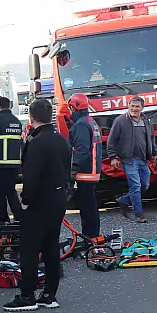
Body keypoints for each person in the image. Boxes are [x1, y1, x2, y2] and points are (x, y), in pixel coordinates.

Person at [4, 99, 72, 311]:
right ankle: (49, 294)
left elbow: (31, 177)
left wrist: (25, 201)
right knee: (51, 246)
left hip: (40, 200)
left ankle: (27, 296)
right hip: (59, 197)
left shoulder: (36, 142)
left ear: (31, 117)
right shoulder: (61, 140)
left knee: (30, 249)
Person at [106, 95, 155, 223]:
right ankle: (139, 214)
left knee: (145, 184)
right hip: (129, 159)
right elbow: (111, 141)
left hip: (143, 159)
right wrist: (113, 157)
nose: (134, 109)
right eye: (132, 106)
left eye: (137, 106)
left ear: (142, 108)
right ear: (128, 106)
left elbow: (151, 138)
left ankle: (124, 200)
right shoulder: (120, 121)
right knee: (136, 185)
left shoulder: (146, 121)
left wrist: (154, 153)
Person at [66, 93, 102, 240]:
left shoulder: (81, 124)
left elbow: (81, 150)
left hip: (85, 173)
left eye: (70, 108)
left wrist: (73, 170)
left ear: (74, 108)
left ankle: (90, 238)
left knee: (87, 209)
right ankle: (93, 236)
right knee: (91, 207)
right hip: (92, 171)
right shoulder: (90, 121)